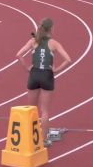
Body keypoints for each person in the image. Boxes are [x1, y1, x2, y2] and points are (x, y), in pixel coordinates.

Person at [16, 18, 71, 147]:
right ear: (51, 29)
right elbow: (68, 60)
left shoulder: (33, 41)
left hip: (34, 75)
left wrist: (27, 68)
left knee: (31, 109)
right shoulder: (54, 43)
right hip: (47, 75)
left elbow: (18, 54)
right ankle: (44, 139)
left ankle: (30, 136)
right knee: (44, 111)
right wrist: (56, 70)